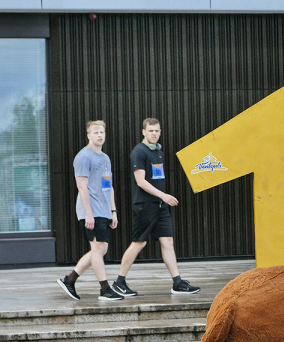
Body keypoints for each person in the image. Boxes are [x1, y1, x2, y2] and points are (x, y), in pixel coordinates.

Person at [112, 118, 200, 297]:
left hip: (160, 206)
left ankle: (177, 282)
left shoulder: (158, 152)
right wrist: (163, 195)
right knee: (139, 242)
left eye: (157, 131)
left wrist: (162, 199)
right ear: (143, 132)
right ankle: (119, 282)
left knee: (167, 241)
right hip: (145, 205)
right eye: (151, 130)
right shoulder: (139, 152)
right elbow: (140, 181)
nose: (154, 134)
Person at [56, 120, 124, 302]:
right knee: (98, 248)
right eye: (96, 132)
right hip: (91, 210)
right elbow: (82, 187)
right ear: (88, 135)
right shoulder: (83, 157)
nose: (100, 135)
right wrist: (88, 213)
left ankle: (69, 280)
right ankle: (105, 289)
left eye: (102, 132)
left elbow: (108, 186)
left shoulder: (105, 158)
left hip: (104, 210)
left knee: (100, 249)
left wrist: (113, 211)